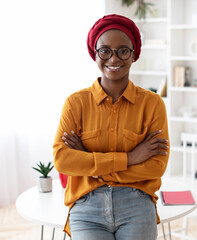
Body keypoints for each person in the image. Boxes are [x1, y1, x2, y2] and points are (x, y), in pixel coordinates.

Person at [53, 14, 170, 240]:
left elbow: (156, 167)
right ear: (94, 53)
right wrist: (131, 158)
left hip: (137, 203)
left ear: (134, 54)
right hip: (87, 206)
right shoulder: (75, 103)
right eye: (105, 51)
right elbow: (62, 160)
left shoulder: (152, 104)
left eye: (123, 50)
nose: (113, 59)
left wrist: (88, 160)